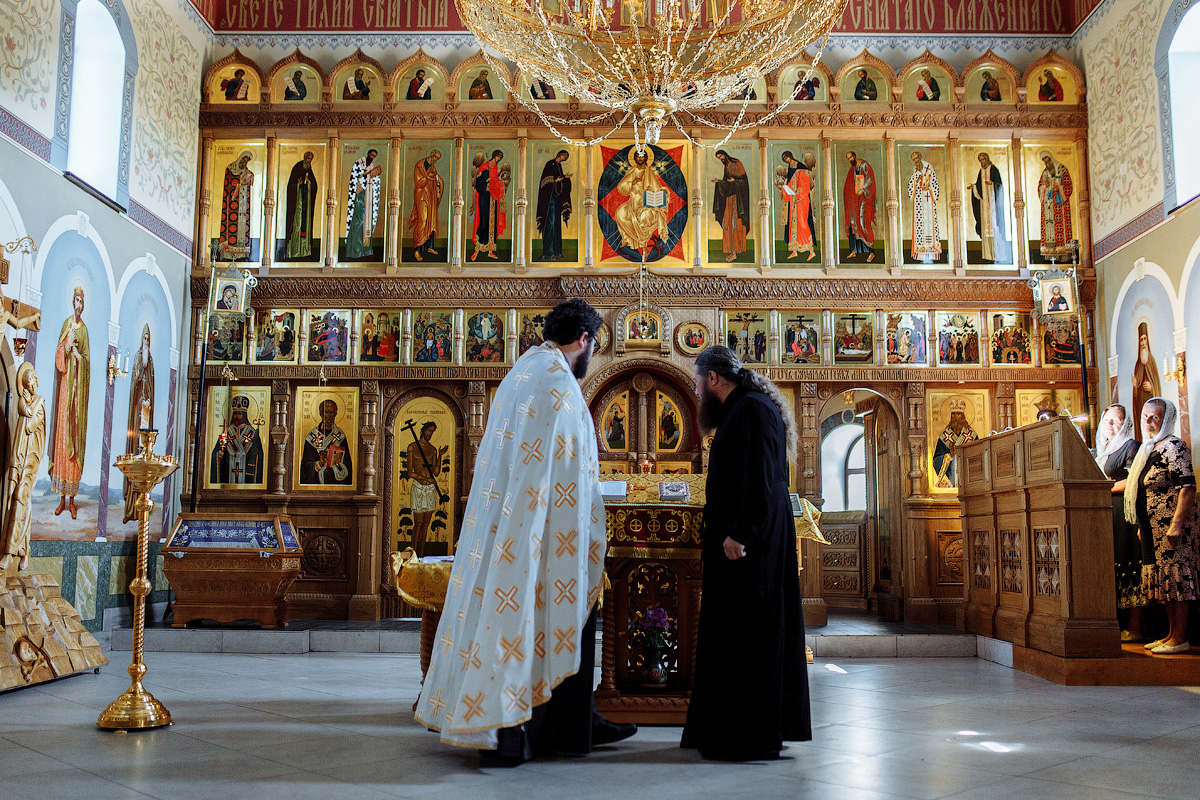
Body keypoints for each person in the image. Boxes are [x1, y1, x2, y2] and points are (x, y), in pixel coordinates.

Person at [415, 298, 636, 764]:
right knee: (539, 618)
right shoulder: (557, 382)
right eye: (593, 345)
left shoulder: (521, 371)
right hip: (544, 530)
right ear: (585, 339)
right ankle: (540, 728)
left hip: (511, 524)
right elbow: (572, 467)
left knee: (510, 623)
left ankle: (552, 724)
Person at [681, 345, 808, 761]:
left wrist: (739, 534)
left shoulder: (752, 410)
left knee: (750, 635)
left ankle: (750, 735)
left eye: (698, 380)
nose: (697, 388)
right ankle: (729, 731)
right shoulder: (744, 408)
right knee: (735, 635)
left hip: (749, 546)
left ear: (713, 378)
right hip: (742, 543)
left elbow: (764, 480)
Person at [1123, 398, 1198, 654]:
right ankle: (1169, 635)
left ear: (1166, 419)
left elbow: (1187, 487)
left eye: (1155, 417)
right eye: (1145, 416)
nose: (1148, 421)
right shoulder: (1150, 447)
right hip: (1153, 527)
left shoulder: (1174, 445)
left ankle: (1180, 638)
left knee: (1177, 580)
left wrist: (1177, 525)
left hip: (1172, 528)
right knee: (1164, 581)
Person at [1094, 404, 1145, 641]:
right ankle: (1115, 623)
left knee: (1129, 563)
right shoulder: (1104, 449)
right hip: (1107, 512)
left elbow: (1134, 479)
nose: (1110, 425)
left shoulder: (1130, 446)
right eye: (1107, 420)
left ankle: (1135, 626)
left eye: (1115, 420)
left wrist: (1102, 487)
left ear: (1125, 423)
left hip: (1124, 512)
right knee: (1113, 565)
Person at [48, 286, 90, 520]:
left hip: (77, 398)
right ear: (72, 302)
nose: (78, 304)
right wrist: (65, 349)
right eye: (76, 300)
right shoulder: (67, 326)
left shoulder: (84, 331)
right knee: (63, 441)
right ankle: (61, 500)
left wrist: (79, 358)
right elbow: (58, 358)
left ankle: (72, 501)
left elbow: (87, 363)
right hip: (65, 389)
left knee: (74, 438)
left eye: (81, 301)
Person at [1, 364, 45, 573]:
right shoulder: (23, 402)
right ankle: (23, 549)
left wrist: (27, 404)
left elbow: (30, 425)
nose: (32, 386)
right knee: (14, 499)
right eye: (29, 383)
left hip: (32, 461)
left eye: (34, 381)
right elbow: (22, 414)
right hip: (19, 457)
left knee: (20, 498)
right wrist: (23, 403)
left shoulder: (40, 404)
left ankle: (9, 552)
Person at [122, 325, 155, 523]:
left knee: (145, 459)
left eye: (148, 338)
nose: (146, 340)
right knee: (134, 455)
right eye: (144, 337)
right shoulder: (137, 357)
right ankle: (130, 509)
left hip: (146, 413)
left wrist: (148, 399)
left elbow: (151, 384)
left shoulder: (150, 360)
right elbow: (136, 380)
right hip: (137, 416)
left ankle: (142, 511)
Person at [405, 421, 448, 556]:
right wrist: (425, 479)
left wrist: (440, 455)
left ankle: (422, 555)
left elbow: (435, 472)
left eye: (432, 432)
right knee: (417, 524)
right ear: (423, 430)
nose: (430, 434)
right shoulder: (412, 447)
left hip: (430, 490)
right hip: (418, 488)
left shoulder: (433, 449)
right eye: (429, 431)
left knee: (425, 525)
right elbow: (410, 472)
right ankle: (413, 554)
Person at [210, 394, 264, 485]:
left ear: (245, 415)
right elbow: (215, 453)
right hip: (228, 476)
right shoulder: (227, 432)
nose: (237, 416)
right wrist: (219, 455)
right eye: (235, 414)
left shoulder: (253, 433)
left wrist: (255, 456)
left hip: (246, 476)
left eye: (240, 414)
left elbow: (260, 455)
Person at [970, 151, 1012, 263]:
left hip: (994, 205)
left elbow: (1000, 186)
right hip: (985, 206)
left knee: (995, 227)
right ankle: (988, 255)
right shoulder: (981, 171)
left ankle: (999, 255)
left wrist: (992, 184)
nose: (982, 162)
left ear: (987, 159)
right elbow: (978, 185)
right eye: (980, 160)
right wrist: (973, 187)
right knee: (985, 228)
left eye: (983, 159)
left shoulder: (993, 169)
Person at [299, 399, 352, 485]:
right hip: (316, 482)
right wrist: (318, 464)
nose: (329, 415)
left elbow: (347, 464)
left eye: (332, 412)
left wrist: (335, 466)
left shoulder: (340, 436)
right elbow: (306, 466)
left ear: (336, 413)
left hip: (335, 480)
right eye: (326, 412)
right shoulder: (312, 436)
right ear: (320, 413)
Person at [712, 150, 751, 262]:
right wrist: (719, 182)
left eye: (721, 156)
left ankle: (736, 252)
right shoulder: (727, 166)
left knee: (736, 225)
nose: (721, 159)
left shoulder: (737, 163)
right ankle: (731, 251)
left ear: (725, 154)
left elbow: (744, 181)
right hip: (729, 200)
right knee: (727, 224)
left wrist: (735, 180)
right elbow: (726, 183)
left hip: (738, 201)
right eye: (719, 158)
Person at [778, 151, 816, 261]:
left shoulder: (801, 168)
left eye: (786, 158)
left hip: (801, 201)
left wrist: (800, 196)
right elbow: (789, 185)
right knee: (792, 225)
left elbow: (805, 185)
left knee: (802, 223)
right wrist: (784, 188)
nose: (786, 161)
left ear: (790, 156)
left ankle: (811, 251)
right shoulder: (789, 169)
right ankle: (794, 250)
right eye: (784, 160)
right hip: (793, 201)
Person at [932, 398, 978, 489]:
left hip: (967, 478)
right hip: (950, 477)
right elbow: (936, 459)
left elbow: (978, 456)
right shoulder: (944, 435)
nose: (955, 416)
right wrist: (948, 457)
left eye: (958, 414)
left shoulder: (971, 435)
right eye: (953, 414)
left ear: (963, 415)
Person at [470, 150, 508, 260]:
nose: (499, 160)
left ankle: (490, 251)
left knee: (493, 224)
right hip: (484, 197)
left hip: (493, 199)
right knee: (483, 222)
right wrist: (487, 180)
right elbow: (478, 182)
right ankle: (477, 249)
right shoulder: (484, 166)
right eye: (498, 158)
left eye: (500, 159)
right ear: (494, 156)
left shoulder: (495, 168)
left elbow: (495, 182)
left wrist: (500, 183)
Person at [345, 149, 382, 259]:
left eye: (374, 156)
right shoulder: (358, 163)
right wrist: (364, 175)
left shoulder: (371, 165)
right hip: (359, 196)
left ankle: (367, 250)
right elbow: (354, 178)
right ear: (367, 154)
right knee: (359, 222)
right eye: (371, 155)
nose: (372, 157)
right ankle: (357, 251)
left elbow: (374, 180)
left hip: (369, 197)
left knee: (368, 223)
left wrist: (375, 176)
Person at [536, 150, 572, 261]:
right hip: (549, 199)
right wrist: (556, 180)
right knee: (550, 224)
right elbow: (545, 181)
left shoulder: (559, 166)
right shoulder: (550, 164)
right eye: (564, 156)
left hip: (556, 198)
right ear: (559, 155)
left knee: (556, 224)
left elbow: (559, 180)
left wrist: (565, 178)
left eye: (565, 158)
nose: (564, 159)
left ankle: (557, 253)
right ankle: (549, 253)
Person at [408, 150, 444, 261]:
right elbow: (419, 182)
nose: (436, 160)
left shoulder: (433, 167)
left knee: (431, 221)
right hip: (422, 196)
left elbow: (435, 179)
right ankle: (417, 250)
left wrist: (438, 181)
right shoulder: (419, 165)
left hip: (431, 197)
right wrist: (429, 177)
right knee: (422, 221)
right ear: (431, 156)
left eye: (438, 159)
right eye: (435, 158)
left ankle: (429, 247)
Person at [1037, 150, 1073, 259]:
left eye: (1047, 160)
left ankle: (1064, 255)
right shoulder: (1044, 173)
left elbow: (1068, 185)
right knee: (1049, 229)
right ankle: (1050, 254)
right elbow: (1040, 188)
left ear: (1051, 158)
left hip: (1060, 206)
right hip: (1048, 206)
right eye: (1044, 161)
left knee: (1061, 227)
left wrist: (1059, 186)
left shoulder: (1062, 169)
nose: (1046, 163)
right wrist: (1044, 186)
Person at [219, 151, 254, 260]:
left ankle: (241, 253)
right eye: (244, 159)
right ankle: (227, 253)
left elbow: (250, 183)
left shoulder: (247, 172)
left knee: (242, 228)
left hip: (243, 204)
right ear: (240, 158)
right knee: (229, 227)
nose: (245, 162)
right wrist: (239, 182)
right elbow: (227, 184)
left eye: (247, 160)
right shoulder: (230, 169)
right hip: (231, 203)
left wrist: (248, 180)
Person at [907, 151, 941, 262]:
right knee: (920, 225)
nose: (916, 161)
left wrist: (930, 187)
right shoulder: (915, 170)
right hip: (919, 202)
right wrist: (916, 183)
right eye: (914, 159)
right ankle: (920, 255)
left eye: (917, 158)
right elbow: (911, 184)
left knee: (930, 224)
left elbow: (935, 182)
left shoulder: (929, 168)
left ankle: (932, 255)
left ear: (920, 157)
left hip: (929, 201)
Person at [843, 150, 876, 261]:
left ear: (854, 156)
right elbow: (848, 185)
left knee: (864, 222)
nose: (849, 160)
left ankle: (871, 252)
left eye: (850, 157)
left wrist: (863, 189)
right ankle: (854, 251)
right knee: (853, 224)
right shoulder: (852, 169)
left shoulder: (864, 165)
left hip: (865, 199)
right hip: (854, 200)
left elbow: (870, 179)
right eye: (848, 159)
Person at [285, 152, 319, 260]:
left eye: (311, 159)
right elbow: (290, 186)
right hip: (297, 205)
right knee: (297, 225)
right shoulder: (297, 168)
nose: (309, 161)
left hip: (306, 205)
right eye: (308, 158)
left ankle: (305, 250)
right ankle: (295, 250)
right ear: (304, 158)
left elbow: (314, 185)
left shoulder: (309, 170)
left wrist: (309, 184)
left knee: (306, 225)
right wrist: (297, 185)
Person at [1131, 322, 1161, 434]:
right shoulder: (1138, 364)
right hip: (1141, 407)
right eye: (1141, 340)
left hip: (1153, 404)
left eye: (1145, 339)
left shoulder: (1151, 361)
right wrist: (1135, 386)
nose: (1143, 342)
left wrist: (1152, 388)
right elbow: (1135, 396)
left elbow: (1157, 385)